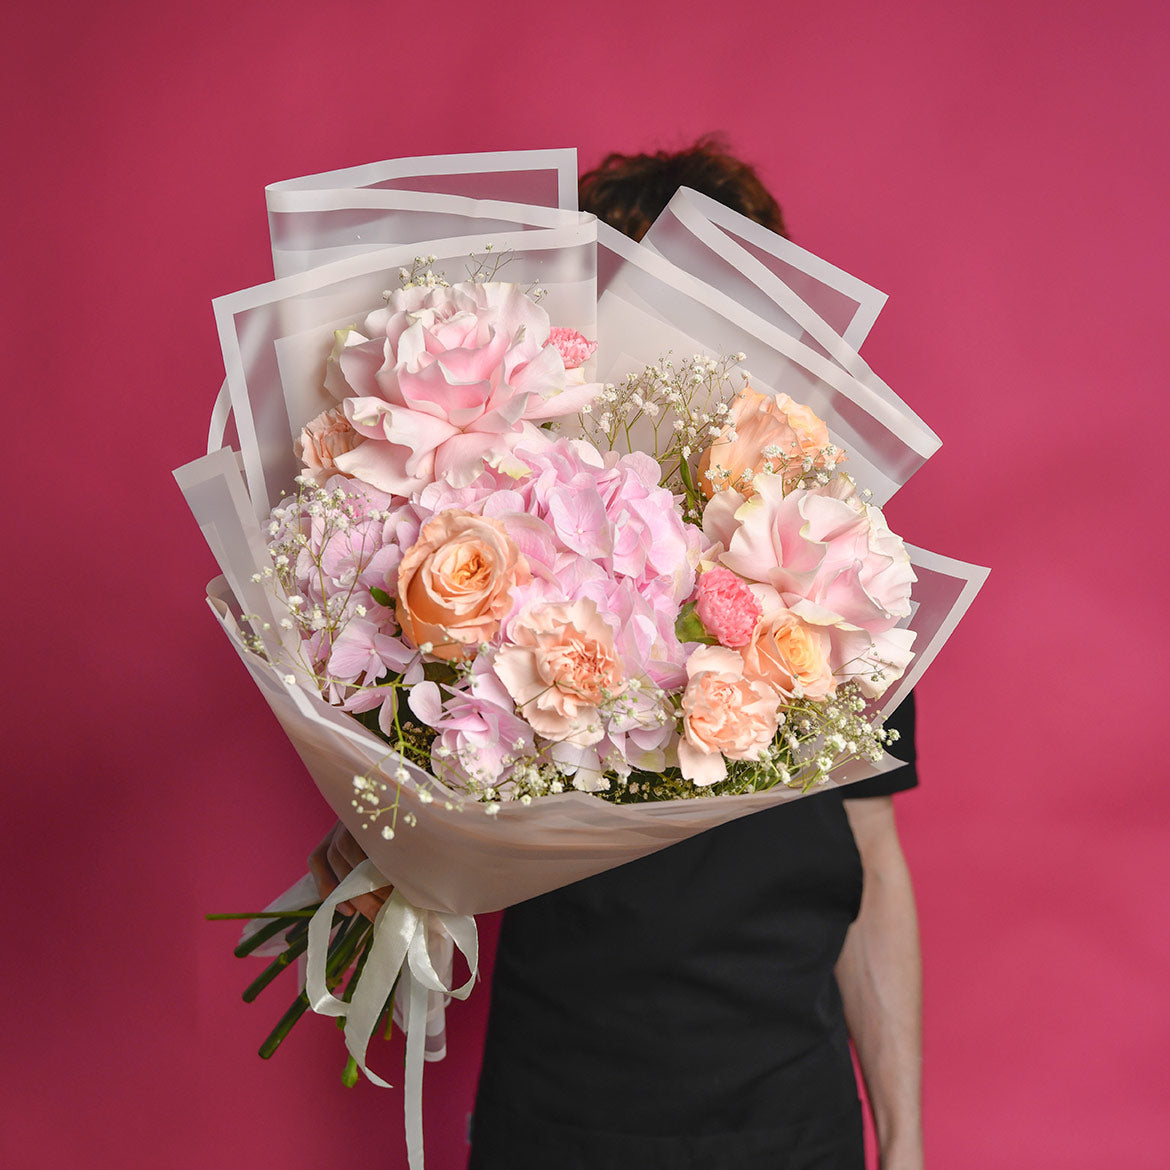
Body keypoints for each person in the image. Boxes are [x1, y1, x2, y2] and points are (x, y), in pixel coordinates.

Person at [310, 139, 924, 1170]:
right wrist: (373, 846)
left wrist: (903, 1138)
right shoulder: (501, 548)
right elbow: (419, 806)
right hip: (561, 1117)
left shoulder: (834, 559)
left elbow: (871, 849)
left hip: (790, 1122)